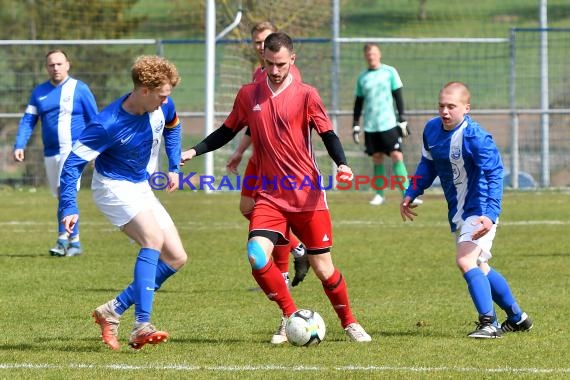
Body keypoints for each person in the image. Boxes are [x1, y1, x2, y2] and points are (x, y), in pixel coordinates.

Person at [182, 32, 371, 344]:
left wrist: (343, 163)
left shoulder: (307, 94)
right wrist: (195, 150)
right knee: (257, 255)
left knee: (324, 269)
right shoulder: (248, 94)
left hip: (307, 195)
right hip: (270, 195)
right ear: (263, 60)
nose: (275, 70)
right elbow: (227, 130)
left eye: (281, 64)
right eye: (269, 63)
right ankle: (290, 315)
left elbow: (327, 133)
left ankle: (349, 322)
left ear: (292, 60)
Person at [59, 55, 187, 350]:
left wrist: (174, 168)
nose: (166, 101)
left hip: (140, 185)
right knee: (152, 239)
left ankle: (112, 311)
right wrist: (68, 205)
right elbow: (72, 164)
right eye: (162, 95)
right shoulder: (108, 124)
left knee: (177, 257)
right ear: (144, 90)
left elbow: (174, 126)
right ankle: (142, 324)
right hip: (112, 187)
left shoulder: (162, 105)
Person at [400, 81, 533, 339]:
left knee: (465, 261)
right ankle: (518, 317)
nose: (445, 112)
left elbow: (495, 174)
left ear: (466, 108)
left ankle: (489, 323)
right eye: (441, 106)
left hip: (479, 208)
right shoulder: (431, 130)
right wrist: (411, 192)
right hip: (458, 211)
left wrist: (490, 215)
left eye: (452, 106)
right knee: (480, 266)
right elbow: (427, 166)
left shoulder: (476, 137)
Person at [226, 21, 310, 307]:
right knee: (247, 208)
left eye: (265, 41)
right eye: (257, 43)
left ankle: (283, 273)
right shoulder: (257, 77)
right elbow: (254, 122)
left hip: (282, 166)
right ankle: (297, 247)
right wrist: (239, 152)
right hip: (257, 158)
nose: (261, 47)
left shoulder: (287, 75)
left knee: (274, 212)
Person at [13, 49, 98, 257]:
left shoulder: (80, 89)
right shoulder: (39, 92)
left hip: (73, 151)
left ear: (68, 65)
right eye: (51, 65)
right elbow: (28, 120)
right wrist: (19, 144)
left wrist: (97, 150)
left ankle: (66, 241)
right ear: (46, 67)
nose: (56, 68)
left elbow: (96, 120)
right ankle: (72, 242)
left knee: (65, 192)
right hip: (50, 152)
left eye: (59, 64)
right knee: (60, 195)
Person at [352, 43, 422, 206]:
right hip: (371, 125)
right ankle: (379, 195)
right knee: (377, 158)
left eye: (374, 54)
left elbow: (398, 96)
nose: (372, 57)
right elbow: (358, 102)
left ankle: (407, 194)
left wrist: (402, 118)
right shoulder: (363, 77)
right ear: (366, 56)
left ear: (379, 54)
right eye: (369, 54)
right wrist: (356, 124)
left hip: (388, 123)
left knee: (397, 155)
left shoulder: (389, 72)